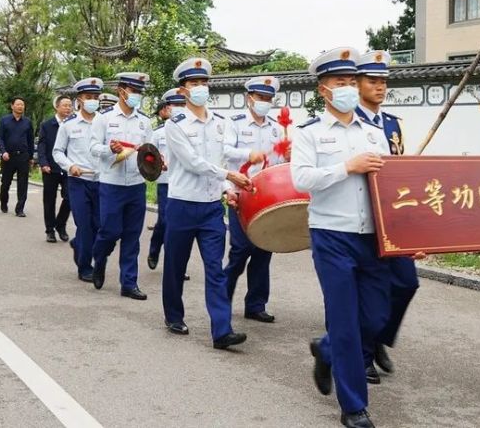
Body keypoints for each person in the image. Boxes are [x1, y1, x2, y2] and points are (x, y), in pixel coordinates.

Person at [291, 47, 391, 428]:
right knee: (346, 320)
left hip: (372, 238)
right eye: (340, 83)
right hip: (332, 235)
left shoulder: (374, 133)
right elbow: (302, 179)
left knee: (377, 315)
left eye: (352, 82)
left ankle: (327, 349)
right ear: (323, 90)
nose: (348, 88)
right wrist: (346, 167)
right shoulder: (309, 134)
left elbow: (390, 186)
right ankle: (354, 407)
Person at [162, 57, 251, 349]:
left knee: (215, 268)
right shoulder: (174, 125)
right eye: (193, 83)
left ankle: (221, 330)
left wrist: (229, 188)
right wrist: (230, 176)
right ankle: (174, 315)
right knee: (176, 266)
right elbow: (192, 162)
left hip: (212, 206)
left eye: (203, 82)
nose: (200, 88)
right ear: (183, 90)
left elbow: (218, 162)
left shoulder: (220, 124)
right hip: (182, 204)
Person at [353, 50, 419, 383]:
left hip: (392, 219)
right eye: (373, 81)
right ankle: (362, 354)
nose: (380, 87)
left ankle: (379, 337)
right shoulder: (349, 120)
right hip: (358, 218)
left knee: (407, 282)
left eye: (383, 81)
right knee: (367, 291)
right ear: (357, 83)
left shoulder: (393, 124)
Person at [222, 75, 286, 325]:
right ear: (250, 98)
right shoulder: (234, 123)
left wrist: (287, 154)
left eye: (269, 99)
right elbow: (225, 151)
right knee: (240, 249)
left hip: (267, 195)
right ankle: (222, 299)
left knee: (264, 249)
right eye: (261, 98)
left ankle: (256, 304)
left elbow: (280, 163)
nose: (265, 103)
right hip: (241, 193)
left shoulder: (276, 128)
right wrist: (248, 153)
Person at [89, 72, 153, 299]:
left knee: (132, 236)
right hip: (111, 184)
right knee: (110, 231)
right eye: (132, 91)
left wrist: (157, 162)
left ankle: (129, 282)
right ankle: (100, 258)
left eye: (139, 92)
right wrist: (110, 149)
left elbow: (150, 150)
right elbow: (93, 147)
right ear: (121, 91)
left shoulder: (144, 121)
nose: (136, 95)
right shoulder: (103, 118)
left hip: (136, 184)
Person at [53, 78, 103, 282]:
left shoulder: (105, 122)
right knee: (84, 224)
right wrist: (69, 166)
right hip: (78, 181)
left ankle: (78, 243)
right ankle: (84, 266)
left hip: (101, 181)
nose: (92, 100)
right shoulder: (68, 125)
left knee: (99, 225)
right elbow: (57, 151)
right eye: (88, 97)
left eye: (95, 97)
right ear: (80, 99)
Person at [146, 88, 185, 271]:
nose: (179, 108)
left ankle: (176, 265)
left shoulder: (189, 130)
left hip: (185, 184)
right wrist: (157, 163)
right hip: (166, 183)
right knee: (164, 222)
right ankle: (154, 250)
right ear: (166, 109)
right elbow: (147, 156)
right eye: (175, 105)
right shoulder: (158, 133)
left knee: (179, 226)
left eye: (182, 104)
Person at [38, 95, 73, 242]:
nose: (68, 108)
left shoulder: (74, 124)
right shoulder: (47, 125)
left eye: (70, 105)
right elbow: (42, 146)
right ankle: (50, 230)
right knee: (49, 200)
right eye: (65, 105)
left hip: (69, 168)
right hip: (50, 168)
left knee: (70, 197)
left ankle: (61, 224)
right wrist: (43, 163)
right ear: (57, 107)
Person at [0, 96, 35, 216]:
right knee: (6, 183)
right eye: (18, 104)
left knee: (23, 183)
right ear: (12, 106)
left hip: (23, 156)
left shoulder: (27, 122)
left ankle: (20, 209)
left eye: (22, 104)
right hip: (8, 157)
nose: (20, 106)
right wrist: (3, 151)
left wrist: (31, 156)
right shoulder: (4, 120)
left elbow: (30, 140)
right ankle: (3, 202)